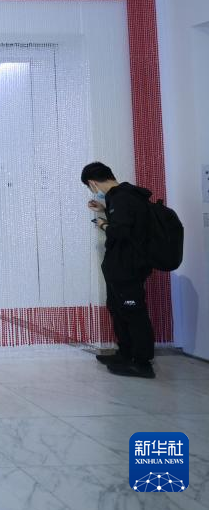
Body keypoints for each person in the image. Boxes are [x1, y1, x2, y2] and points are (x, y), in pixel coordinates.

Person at [83, 161, 156, 378]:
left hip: (128, 267)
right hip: (121, 266)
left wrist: (102, 224)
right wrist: (105, 210)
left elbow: (121, 232)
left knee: (133, 313)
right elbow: (129, 223)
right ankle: (125, 354)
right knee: (118, 309)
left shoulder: (121, 198)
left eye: (90, 187)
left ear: (92, 183)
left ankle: (142, 363)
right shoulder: (123, 196)